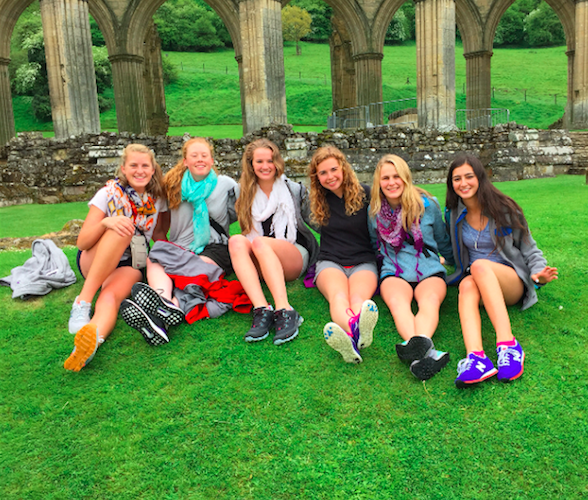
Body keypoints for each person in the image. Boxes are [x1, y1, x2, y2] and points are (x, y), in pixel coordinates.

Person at [446, 153, 558, 387]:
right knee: (466, 283)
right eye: (457, 179)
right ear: (451, 184)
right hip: (477, 281)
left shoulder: (504, 209)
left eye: (469, 176)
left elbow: (530, 248)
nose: (463, 183)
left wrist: (538, 272)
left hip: (510, 282)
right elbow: (452, 251)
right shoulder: (454, 214)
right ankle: (476, 357)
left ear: (480, 177)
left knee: (478, 266)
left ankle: (508, 345)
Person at [119, 137, 241, 345]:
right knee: (154, 258)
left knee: (189, 275)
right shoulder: (171, 185)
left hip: (214, 248)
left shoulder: (226, 185)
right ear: (185, 161)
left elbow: (242, 214)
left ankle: (160, 311)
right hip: (181, 249)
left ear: (212, 161)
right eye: (194, 156)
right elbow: (160, 228)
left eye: (204, 155)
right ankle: (163, 301)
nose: (200, 159)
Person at [64, 144, 165, 371]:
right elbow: (82, 242)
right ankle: (83, 302)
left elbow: (159, 235)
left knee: (110, 297)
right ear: (123, 169)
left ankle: (91, 342)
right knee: (122, 226)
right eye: (133, 166)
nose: (139, 171)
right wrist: (105, 222)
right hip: (95, 257)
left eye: (145, 166)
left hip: (127, 264)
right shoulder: (107, 193)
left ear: (152, 169)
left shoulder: (157, 200)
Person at [370, 154, 454, 380]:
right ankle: (428, 354)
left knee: (429, 302)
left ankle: (418, 350)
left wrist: (455, 264)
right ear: (378, 182)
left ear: (406, 177)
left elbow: (443, 240)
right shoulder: (375, 213)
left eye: (396, 176)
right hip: (394, 271)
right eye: (385, 178)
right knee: (398, 304)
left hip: (428, 270)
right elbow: (373, 244)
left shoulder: (429, 205)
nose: (391, 182)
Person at [229, 139, 319, 345]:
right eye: (259, 161)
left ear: (277, 162)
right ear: (251, 164)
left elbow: (318, 222)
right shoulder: (242, 192)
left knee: (260, 242)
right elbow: (218, 217)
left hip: (292, 254)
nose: (265, 166)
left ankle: (285, 309)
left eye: (270, 160)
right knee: (235, 241)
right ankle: (262, 309)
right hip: (260, 258)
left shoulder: (293, 190)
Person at [307, 145, 378, 364]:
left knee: (358, 299)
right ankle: (356, 333)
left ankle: (350, 339)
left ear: (344, 168)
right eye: (323, 173)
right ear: (317, 177)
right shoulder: (317, 202)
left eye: (333, 169)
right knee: (338, 297)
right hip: (330, 262)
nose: (330, 177)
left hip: (363, 261)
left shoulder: (366, 193)